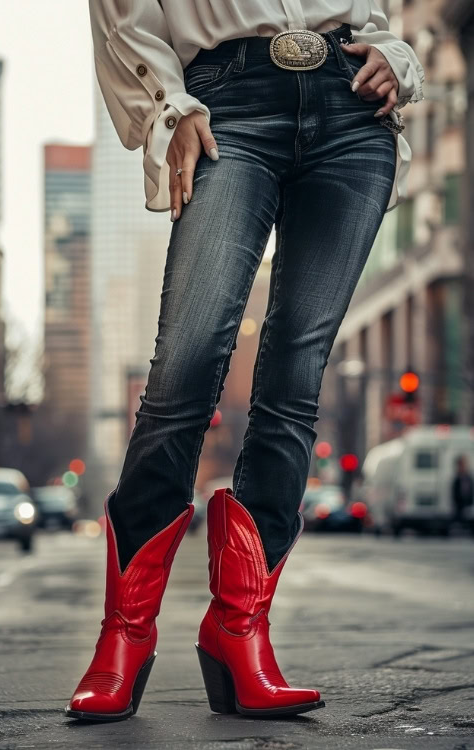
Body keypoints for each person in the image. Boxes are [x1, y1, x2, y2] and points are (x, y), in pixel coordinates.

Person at [65, 0, 425, 722]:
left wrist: (399, 57)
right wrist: (168, 103)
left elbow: (376, 13)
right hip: (226, 104)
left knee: (295, 378)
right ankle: (125, 633)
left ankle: (240, 629)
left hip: (352, 111)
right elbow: (125, 16)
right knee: (185, 369)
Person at [451, 455, 474, 525]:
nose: (463, 466)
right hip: (458, 508)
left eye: (464, 464)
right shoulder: (456, 479)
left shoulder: (469, 478)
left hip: (469, 507)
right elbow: (454, 494)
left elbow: (471, 492)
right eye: (461, 464)